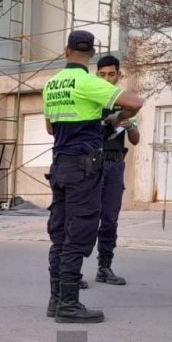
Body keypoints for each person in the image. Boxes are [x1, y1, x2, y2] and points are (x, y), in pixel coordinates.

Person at [42, 30, 144, 323]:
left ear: (66, 51)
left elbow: (50, 128)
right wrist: (113, 118)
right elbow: (135, 102)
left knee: (60, 234)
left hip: (60, 165)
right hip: (84, 168)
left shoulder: (51, 84)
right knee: (79, 233)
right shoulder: (89, 82)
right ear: (92, 54)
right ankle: (69, 305)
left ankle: (56, 300)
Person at [93, 54, 140, 286]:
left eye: (111, 74)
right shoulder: (91, 97)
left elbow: (136, 139)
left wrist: (129, 125)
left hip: (114, 165)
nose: (107, 78)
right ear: (96, 75)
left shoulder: (125, 102)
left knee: (110, 220)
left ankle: (104, 267)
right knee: (83, 218)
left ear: (118, 76)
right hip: (92, 164)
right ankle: (73, 271)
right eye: (102, 74)